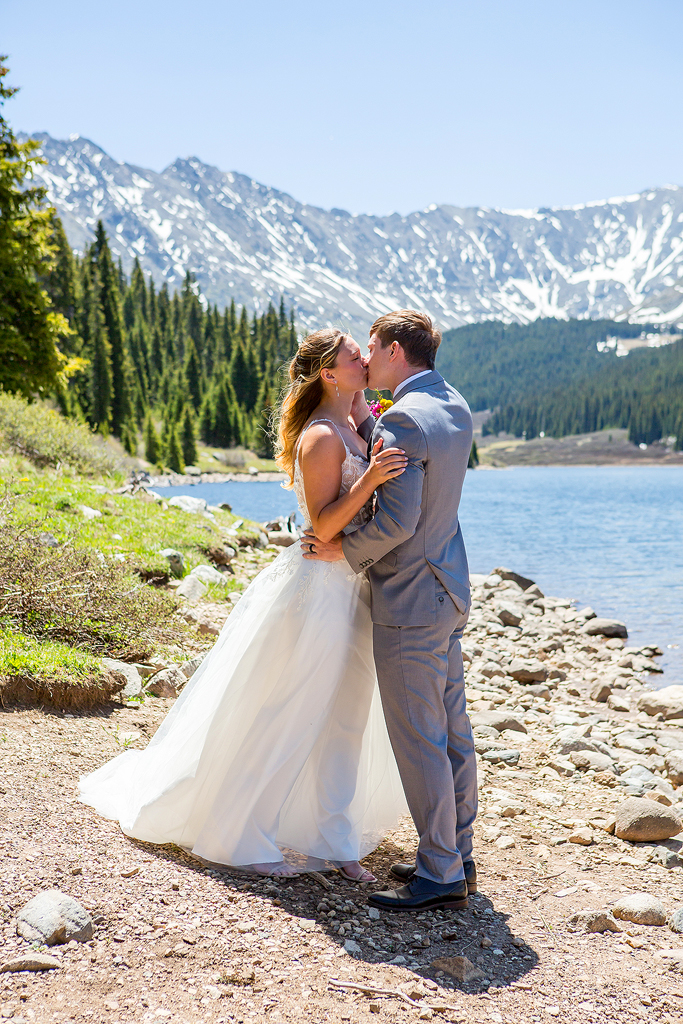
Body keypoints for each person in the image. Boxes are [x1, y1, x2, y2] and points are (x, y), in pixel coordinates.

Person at [79, 328, 408, 880]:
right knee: (289, 711)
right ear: (329, 372)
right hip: (318, 596)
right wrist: (373, 476)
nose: (366, 360)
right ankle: (241, 833)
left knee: (347, 719)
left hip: (353, 587)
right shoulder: (322, 436)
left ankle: (338, 840)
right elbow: (321, 524)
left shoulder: (355, 422)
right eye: (356, 355)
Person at [304, 309, 477, 912]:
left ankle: (438, 874)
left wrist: (339, 551)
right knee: (453, 732)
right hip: (449, 587)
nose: (367, 358)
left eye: (372, 348)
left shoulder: (402, 418)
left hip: (409, 599)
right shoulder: (453, 404)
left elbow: (399, 521)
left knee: (420, 738)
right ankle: (458, 856)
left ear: (397, 352)